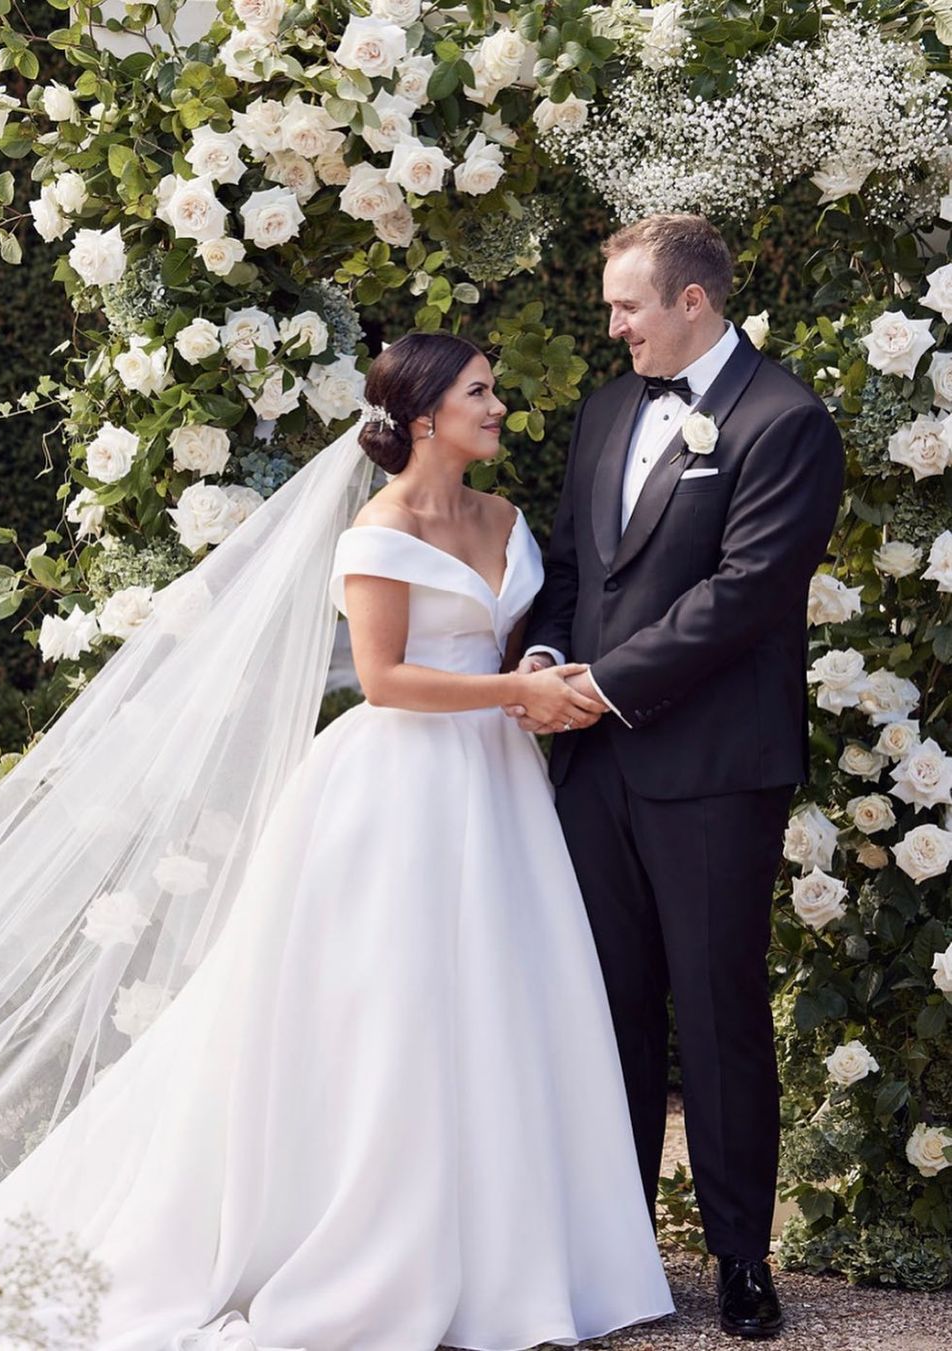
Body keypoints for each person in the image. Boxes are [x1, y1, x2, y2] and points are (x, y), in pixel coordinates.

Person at [0, 332, 674, 1350]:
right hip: (400, 787)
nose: (498, 405)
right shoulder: (378, 533)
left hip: (501, 784)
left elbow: (514, 640)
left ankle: (507, 1251)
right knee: (394, 1010)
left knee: (503, 995)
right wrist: (511, 693)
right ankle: (376, 1236)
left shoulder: (508, 518)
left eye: (494, 389)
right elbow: (385, 679)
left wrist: (535, 683)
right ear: (423, 416)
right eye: (479, 391)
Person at [509, 213, 844, 1339]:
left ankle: (743, 1259)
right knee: (603, 1006)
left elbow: (743, 595)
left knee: (716, 1010)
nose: (614, 326)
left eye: (628, 306)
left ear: (692, 301)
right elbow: (571, 564)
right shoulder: (608, 410)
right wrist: (546, 655)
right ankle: (619, 1253)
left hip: (712, 768)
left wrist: (598, 684)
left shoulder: (786, 420)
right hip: (593, 763)